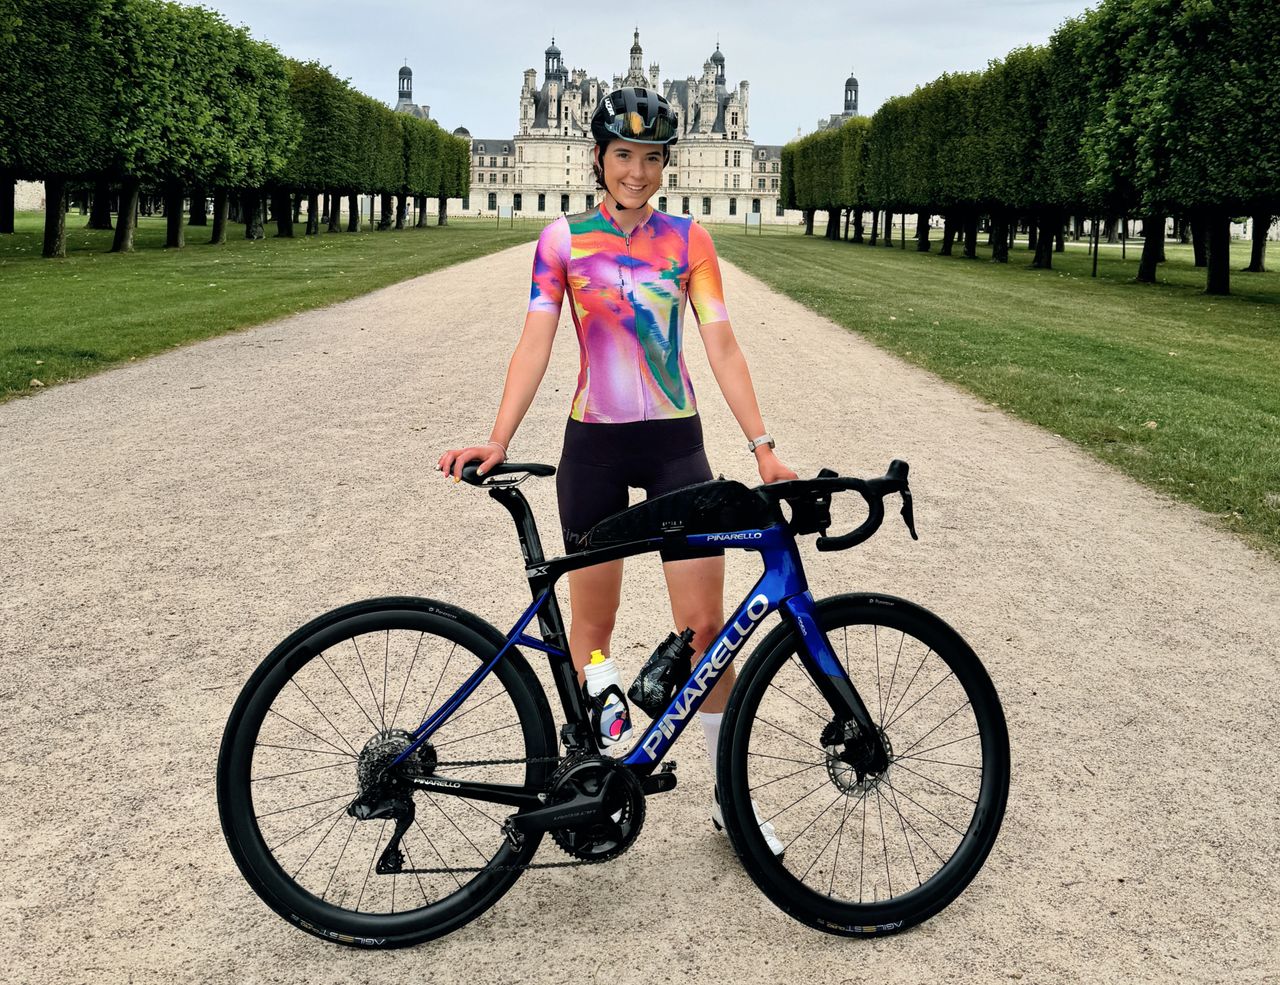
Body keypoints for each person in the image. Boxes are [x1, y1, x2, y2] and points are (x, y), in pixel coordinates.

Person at [437, 86, 794, 853]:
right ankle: (596, 772)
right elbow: (534, 342)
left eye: (653, 157)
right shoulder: (561, 240)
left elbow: (722, 344)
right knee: (591, 632)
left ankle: (729, 799)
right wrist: (498, 437)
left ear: (669, 161)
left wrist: (762, 445)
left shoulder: (691, 240)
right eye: (624, 155)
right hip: (594, 445)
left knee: (705, 632)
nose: (637, 171)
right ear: (599, 157)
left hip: (675, 445)